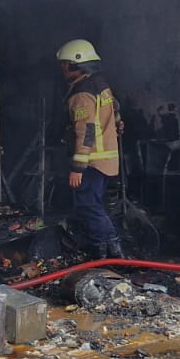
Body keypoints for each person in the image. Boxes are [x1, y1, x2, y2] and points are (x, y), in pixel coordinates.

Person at [57, 39, 124, 259]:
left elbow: (85, 130)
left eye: (65, 64)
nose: (62, 69)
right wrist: (117, 123)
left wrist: (78, 167)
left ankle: (111, 251)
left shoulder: (81, 93)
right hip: (106, 159)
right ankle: (103, 252)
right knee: (93, 204)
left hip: (92, 161)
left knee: (88, 205)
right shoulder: (100, 84)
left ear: (77, 64)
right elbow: (115, 110)